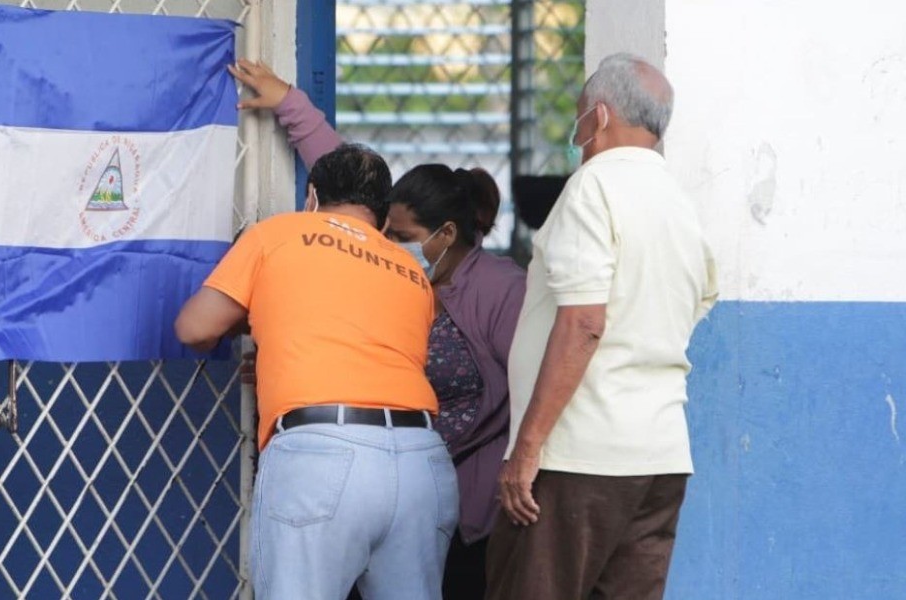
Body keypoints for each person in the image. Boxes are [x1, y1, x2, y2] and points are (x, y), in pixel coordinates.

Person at [229, 59, 528, 599]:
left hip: (462, 497)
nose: (387, 242)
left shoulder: (498, 288)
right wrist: (290, 104)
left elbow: (524, 385)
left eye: (404, 235)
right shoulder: (387, 263)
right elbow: (344, 194)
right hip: (376, 477)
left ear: (446, 233)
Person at [175, 144, 458, 600]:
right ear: (384, 218)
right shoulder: (411, 269)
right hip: (421, 461)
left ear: (311, 196)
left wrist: (254, 324)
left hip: (323, 456)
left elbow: (194, 328)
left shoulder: (278, 234)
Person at [488, 52, 718, 599]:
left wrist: (528, 449)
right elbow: (699, 301)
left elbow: (585, 321)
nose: (579, 133)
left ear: (600, 115)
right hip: (659, 458)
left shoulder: (592, 189)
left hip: (578, 459)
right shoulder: (680, 205)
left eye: (579, 118)